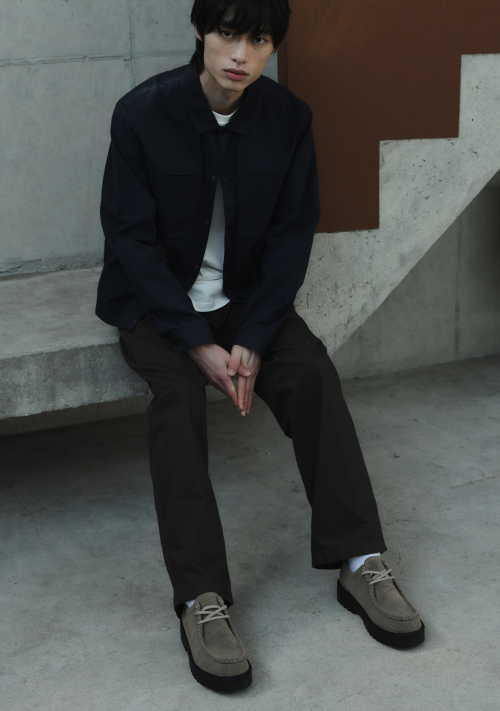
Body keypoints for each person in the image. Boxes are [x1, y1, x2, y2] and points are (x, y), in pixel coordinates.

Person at [96, 0, 425, 692]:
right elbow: (129, 237)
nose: (241, 53)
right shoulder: (142, 114)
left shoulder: (288, 119)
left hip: (247, 303)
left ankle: (360, 560)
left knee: (312, 373)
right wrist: (194, 340)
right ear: (199, 31)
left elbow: (292, 233)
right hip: (158, 307)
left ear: (273, 47)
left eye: (259, 39)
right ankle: (201, 598)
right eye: (227, 33)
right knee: (178, 402)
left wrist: (252, 334)